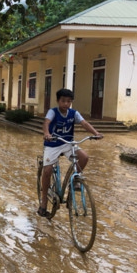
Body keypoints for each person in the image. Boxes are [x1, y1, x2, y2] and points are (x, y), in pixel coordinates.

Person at [38, 88, 103, 218]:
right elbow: (46, 123)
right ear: (58, 101)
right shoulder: (53, 112)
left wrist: (95, 133)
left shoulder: (73, 113)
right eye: (63, 101)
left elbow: (84, 123)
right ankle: (44, 201)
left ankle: (74, 180)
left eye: (69, 101)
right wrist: (47, 133)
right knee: (47, 170)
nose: (66, 104)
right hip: (53, 143)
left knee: (84, 157)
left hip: (68, 143)